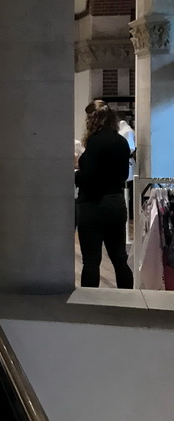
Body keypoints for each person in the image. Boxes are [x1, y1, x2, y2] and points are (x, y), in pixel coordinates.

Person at [75, 104, 133, 288]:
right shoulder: (121, 142)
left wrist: (76, 174)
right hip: (116, 202)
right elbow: (124, 175)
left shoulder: (95, 142)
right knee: (119, 258)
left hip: (93, 205)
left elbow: (89, 177)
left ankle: (89, 304)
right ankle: (128, 299)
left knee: (91, 261)